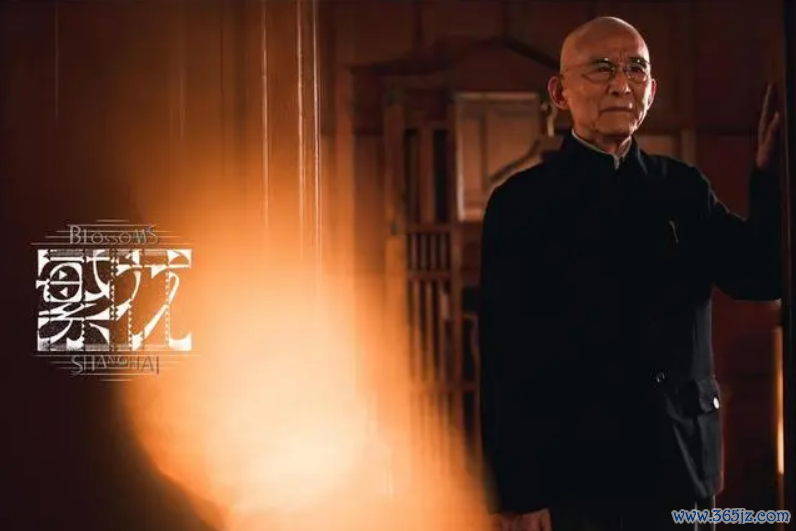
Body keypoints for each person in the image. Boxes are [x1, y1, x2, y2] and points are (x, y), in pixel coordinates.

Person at [477, 16, 782, 531]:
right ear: (560, 92)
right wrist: (517, 495)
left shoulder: (682, 189)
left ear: (652, 90)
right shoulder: (521, 205)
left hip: (679, 465)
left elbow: (760, 274)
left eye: (636, 69)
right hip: (572, 474)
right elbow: (503, 359)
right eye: (601, 68)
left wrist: (771, 177)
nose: (621, 84)